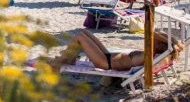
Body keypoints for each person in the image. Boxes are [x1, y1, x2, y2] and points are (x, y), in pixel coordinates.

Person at [52, 29, 183, 71]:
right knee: (84, 32)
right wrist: (172, 41)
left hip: (105, 62)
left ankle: (64, 60)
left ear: (160, 46)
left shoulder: (150, 54)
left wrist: (170, 41)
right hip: (108, 56)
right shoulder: (156, 54)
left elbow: (151, 33)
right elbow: (156, 33)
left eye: (159, 42)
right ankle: (69, 57)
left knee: (79, 37)